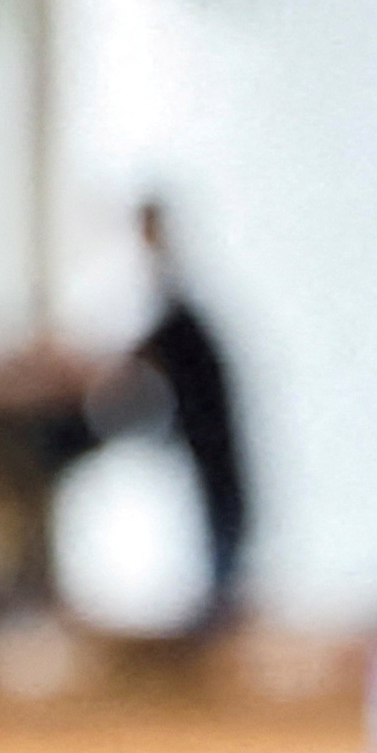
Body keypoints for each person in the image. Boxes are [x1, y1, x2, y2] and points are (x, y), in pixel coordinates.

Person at [119, 197, 255, 625]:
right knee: (217, 512)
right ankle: (220, 597)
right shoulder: (162, 290)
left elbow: (169, 341)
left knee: (223, 510)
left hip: (209, 426)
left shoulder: (176, 293)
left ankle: (223, 599)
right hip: (197, 426)